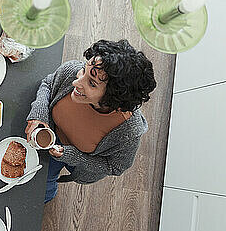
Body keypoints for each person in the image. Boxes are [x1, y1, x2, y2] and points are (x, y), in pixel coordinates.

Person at [25, 39, 157, 203]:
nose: (76, 82)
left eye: (92, 83)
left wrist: (72, 157)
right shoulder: (71, 71)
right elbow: (48, 83)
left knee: (44, 185)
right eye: (84, 70)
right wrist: (39, 113)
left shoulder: (129, 132)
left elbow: (114, 167)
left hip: (73, 157)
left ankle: (45, 196)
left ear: (113, 97)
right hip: (46, 131)